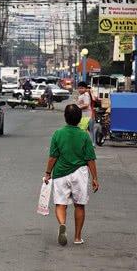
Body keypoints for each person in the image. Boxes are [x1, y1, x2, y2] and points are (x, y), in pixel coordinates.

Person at [44, 104, 99, 246]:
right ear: (80, 119)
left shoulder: (58, 134)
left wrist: (48, 173)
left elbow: (53, 157)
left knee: (60, 203)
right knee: (79, 205)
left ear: (65, 118)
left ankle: (62, 224)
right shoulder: (84, 135)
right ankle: (77, 237)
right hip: (79, 173)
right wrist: (95, 178)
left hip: (61, 173)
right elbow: (90, 159)